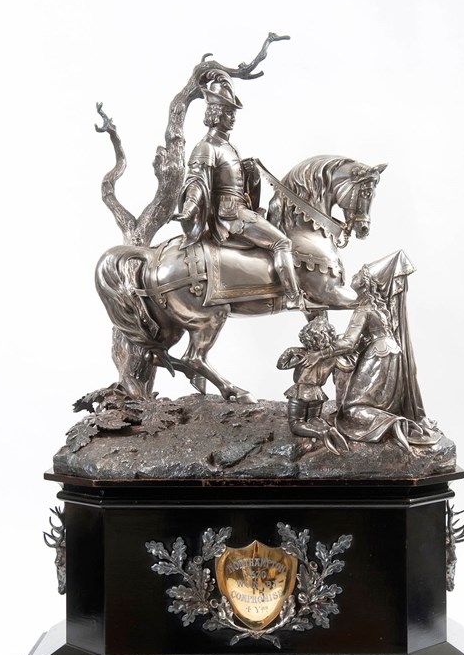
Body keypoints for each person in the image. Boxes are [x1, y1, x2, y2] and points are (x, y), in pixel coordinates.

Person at [175, 77, 306, 309]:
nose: (232, 117)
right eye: (228, 112)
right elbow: (196, 182)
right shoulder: (207, 147)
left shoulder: (228, 146)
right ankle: (294, 297)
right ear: (215, 114)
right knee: (282, 243)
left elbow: (234, 184)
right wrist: (189, 209)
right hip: (231, 216)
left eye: (233, 112)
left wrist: (250, 174)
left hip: (241, 209)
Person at [307, 252, 440, 451]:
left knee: (352, 409)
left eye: (358, 275)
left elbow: (349, 343)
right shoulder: (381, 308)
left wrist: (321, 353)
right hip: (392, 354)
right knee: (378, 403)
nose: (353, 278)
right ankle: (390, 419)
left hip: (378, 355)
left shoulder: (364, 309)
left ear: (365, 283)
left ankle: (393, 424)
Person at [276, 316, 350, 455]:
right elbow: (349, 367)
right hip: (317, 394)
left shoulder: (301, 354)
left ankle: (320, 433)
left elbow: (281, 365)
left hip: (300, 392)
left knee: (296, 424)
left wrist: (289, 351)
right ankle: (329, 429)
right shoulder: (333, 357)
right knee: (314, 418)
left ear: (306, 335)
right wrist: (344, 350)